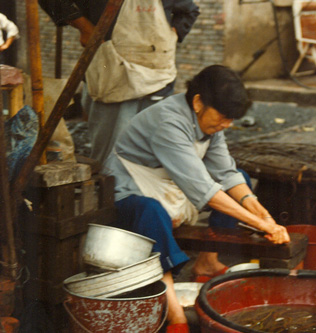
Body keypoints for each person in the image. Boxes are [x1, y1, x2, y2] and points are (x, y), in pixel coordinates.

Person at [103, 65, 290, 332]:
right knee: (150, 211)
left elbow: (226, 174)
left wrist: (261, 213)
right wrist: (262, 226)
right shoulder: (169, 121)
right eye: (224, 117)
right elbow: (205, 190)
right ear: (198, 102)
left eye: (231, 119)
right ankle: (175, 315)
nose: (227, 125)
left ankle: (207, 261)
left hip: (173, 189)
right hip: (134, 192)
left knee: (242, 179)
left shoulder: (209, 123)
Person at [38, 0, 200, 164]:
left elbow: (189, 11)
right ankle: (111, 186)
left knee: (153, 150)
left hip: (157, 76)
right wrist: (83, 26)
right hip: (113, 73)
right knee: (112, 155)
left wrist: (170, 34)